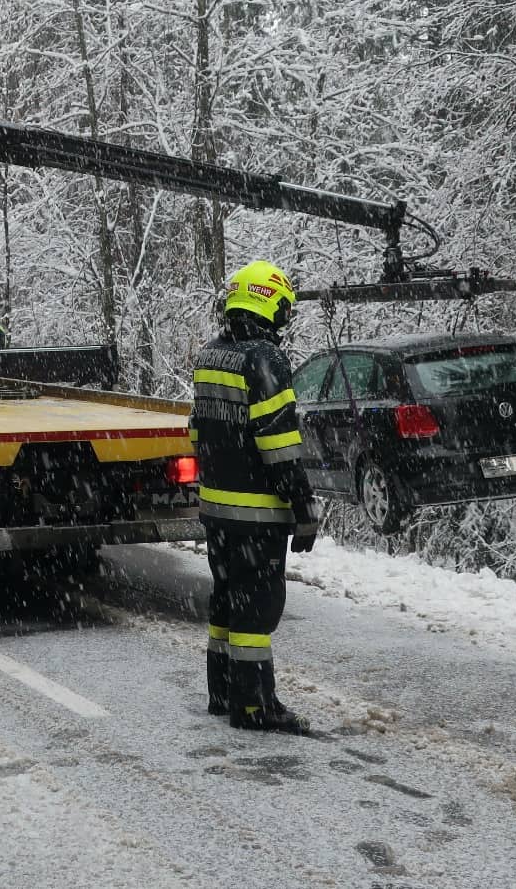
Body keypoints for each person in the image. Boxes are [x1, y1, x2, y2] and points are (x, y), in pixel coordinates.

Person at [190, 259, 321, 734]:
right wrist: (303, 505)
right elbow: (278, 443)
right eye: (284, 308)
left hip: (217, 508)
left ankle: (223, 692)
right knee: (257, 606)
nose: (285, 319)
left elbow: (197, 429)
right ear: (269, 304)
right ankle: (254, 706)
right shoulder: (264, 360)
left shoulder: (211, 354)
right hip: (257, 512)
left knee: (226, 598)